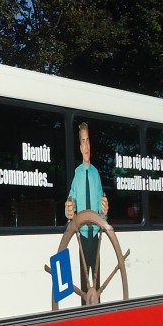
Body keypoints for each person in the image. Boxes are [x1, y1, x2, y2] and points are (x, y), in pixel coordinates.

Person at [65, 122, 109, 287]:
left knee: (96, 284)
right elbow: (71, 199)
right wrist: (69, 208)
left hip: (95, 236)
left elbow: (102, 210)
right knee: (85, 284)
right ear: (80, 147)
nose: (86, 145)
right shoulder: (77, 174)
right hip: (82, 236)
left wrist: (105, 210)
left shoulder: (96, 174)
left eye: (88, 140)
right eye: (83, 141)